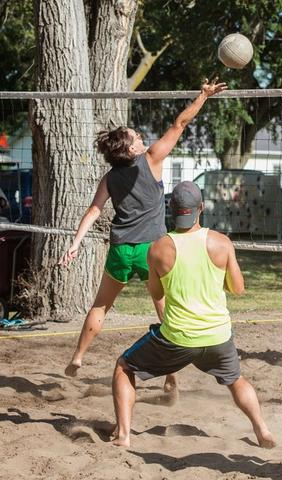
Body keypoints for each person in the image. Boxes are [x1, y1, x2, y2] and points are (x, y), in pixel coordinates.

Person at [60, 79, 226, 385]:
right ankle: (170, 376)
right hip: (152, 250)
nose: (141, 136)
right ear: (131, 148)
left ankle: (78, 357)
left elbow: (93, 211)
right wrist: (203, 95)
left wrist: (75, 244)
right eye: (136, 136)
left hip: (121, 248)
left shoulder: (110, 178)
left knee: (100, 305)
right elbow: (180, 122)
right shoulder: (151, 159)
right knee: (168, 313)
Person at [111, 181, 276, 449]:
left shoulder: (158, 248)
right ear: (200, 208)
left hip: (178, 336)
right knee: (235, 380)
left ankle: (124, 436)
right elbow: (238, 289)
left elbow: (155, 292)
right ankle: (263, 430)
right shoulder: (221, 242)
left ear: (171, 208)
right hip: (217, 335)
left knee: (124, 366)